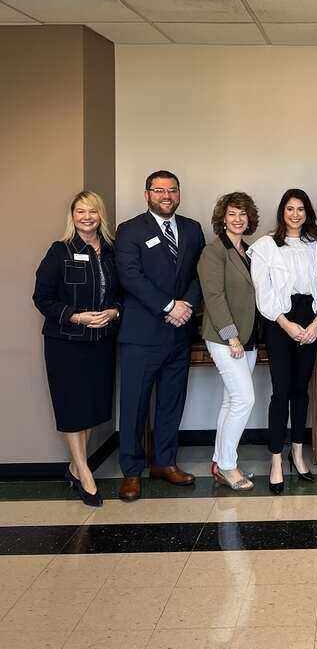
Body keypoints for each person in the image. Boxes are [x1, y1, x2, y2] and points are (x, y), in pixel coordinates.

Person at [115, 170, 206, 502]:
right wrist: (168, 305)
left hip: (179, 333)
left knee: (171, 402)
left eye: (172, 190)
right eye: (159, 190)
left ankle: (165, 463)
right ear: (147, 195)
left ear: (179, 194)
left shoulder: (193, 229)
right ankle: (131, 472)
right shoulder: (130, 230)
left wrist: (187, 306)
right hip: (141, 335)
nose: (166, 195)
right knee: (135, 405)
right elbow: (130, 276)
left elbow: (201, 273)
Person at [33, 191, 121, 507]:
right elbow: (41, 297)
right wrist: (76, 316)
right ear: (72, 216)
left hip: (101, 341)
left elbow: (122, 294)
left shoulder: (111, 251)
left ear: (101, 216)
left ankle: (73, 465)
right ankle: (84, 473)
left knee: (91, 407)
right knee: (72, 407)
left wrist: (113, 312)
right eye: (80, 211)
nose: (86, 217)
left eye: (92, 211)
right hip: (65, 343)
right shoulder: (60, 251)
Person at [251, 189, 317, 493]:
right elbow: (261, 292)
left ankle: (297, 452)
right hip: (279, 320)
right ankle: (277, 459)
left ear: (307, 212)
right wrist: (285, 323)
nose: (295, 214)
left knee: (300, 390)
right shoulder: (266, 246)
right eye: (290, 208)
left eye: (301, 209)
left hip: (312, 318)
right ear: (282, 212)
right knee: (281, 391)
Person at [198, 192, 260, 492]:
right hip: (226, 338)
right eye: (232, 214)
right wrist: (231, 336)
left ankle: (217, 460)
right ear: (223, 218)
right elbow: (213, 297)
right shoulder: (214, 251)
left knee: (230, 400)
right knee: (244, 399)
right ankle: (227, 466)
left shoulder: (248, 251)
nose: (238, 219)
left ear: (249, 219)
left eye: (243, 214)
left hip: (248, 337)